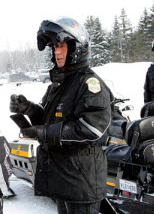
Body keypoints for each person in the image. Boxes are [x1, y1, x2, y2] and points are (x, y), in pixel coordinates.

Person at [9, 17, 114, 214]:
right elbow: (48, 120)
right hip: (63, 179)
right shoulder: (57, 85)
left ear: (77, 48)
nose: (57, 52)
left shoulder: (90, 84)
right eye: (55, 46)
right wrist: (28, 109)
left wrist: (46, 133)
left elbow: (91, 129)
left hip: (82, 183)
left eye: (63, 46)